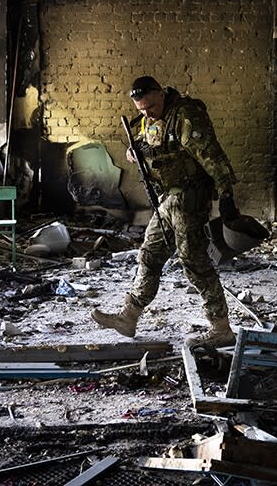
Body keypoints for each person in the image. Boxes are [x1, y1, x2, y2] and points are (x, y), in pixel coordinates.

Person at [91, 76, 240, 348]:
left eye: (150, 107)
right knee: (150, 254)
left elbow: (212, 156)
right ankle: (129, 316)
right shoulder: (151, 118)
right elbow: (143, 142)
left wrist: (227, 193)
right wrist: (133, 151)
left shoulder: (185, 116)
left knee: (195, 262)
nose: (147, 114)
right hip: (166, 200)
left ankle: (221, 328)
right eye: (141, 111)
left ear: (160, 94)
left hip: (189, 200)